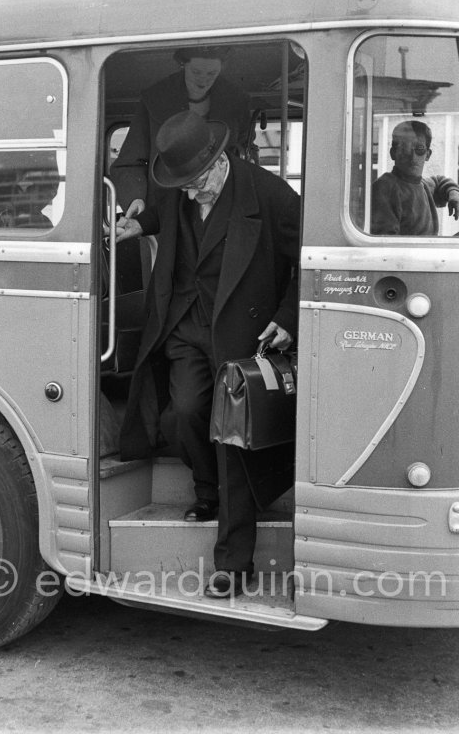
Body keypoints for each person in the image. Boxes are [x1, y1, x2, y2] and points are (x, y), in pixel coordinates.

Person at [114, 110, 301, 598]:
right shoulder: (183, 188)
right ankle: (208, 492)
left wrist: (289, 317)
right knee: (186, 413)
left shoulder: (272, 194)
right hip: (185, 323)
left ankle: (233, 564)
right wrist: (140, 225)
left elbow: (309, 257)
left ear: (221, 160)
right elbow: (160, 210)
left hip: (242, 333)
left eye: (198, 183)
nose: (191, 193)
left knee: (232, 442)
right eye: (184, 186)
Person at [109, 46, 251, 216]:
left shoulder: (236, 100)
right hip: (165, 211)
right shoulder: (154, 99)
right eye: (196, 72)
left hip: (221, 207)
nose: (203, 80)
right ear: (183, 65)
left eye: (211, 73)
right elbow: (128, 163)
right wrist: (135, 198)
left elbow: (244, 152)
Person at [371, 121, 459, 235]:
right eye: (404, 149)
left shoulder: (422, 184)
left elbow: (439, 181)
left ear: (428, 154)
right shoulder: (384, 188)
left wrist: (454, 193)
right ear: (393, 153)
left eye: (420, 149)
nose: (413, 156)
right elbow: (387, 242)